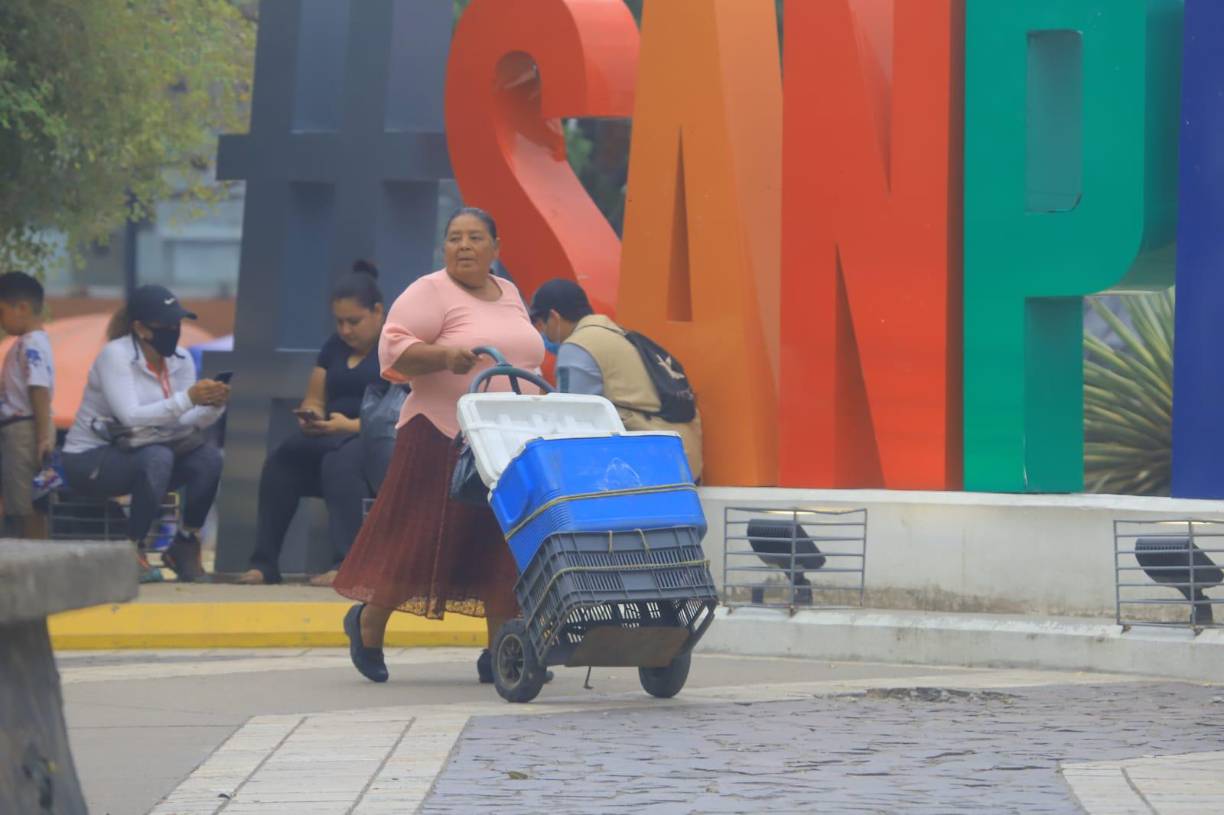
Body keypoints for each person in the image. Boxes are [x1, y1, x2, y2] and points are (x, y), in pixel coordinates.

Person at [334, 207, 544, 684]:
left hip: (507, 441)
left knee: (500, 543)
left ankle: (502, 650)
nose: (463, 246)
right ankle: (368, 623)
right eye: (454, 238)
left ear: (496, 248)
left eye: (475, 237)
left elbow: (528, 357)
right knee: (417, 538)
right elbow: (393, 352)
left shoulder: (509, 292)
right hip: (439, 435)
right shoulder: (428, 291)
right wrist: (444, 356)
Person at [61, 285, 229, 583]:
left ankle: (185, 543)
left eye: (177, 324)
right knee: (158, 457)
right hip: (91, 460)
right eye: (165, 325)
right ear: (140, 328)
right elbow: (130, 415)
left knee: (209, 459)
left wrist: (212, 405)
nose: (174, 331)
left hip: (146, 452)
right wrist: (189, 398)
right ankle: (132, 549)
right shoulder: (115, 355)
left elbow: (185, 422)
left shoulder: (181, 359)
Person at [237, 261, 386, 587]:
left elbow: (399, 414)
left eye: (354, 322)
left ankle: (346, 563)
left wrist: (350, 426)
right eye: (339, 322)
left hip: (372, 440)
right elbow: (315, 397)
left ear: (378, 312)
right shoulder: (334, 347)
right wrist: (312, 415)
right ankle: (264, 564)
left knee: (340, 461)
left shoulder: (394, 349)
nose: (345, 330)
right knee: (281, 460)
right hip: (331, 433)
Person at [530, 278, 704, 480]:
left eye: (541, 325)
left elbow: (572, 425)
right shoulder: (619, 334)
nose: (543, 334)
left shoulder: (577, 346)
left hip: (652, 466)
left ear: (554, 317)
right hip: (684, 457)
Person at [0, 272, 55, 538]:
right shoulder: (26, 343)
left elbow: (38, 388)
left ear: (22, 307)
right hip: (23, 428)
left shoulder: (32, 343)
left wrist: (43, 437)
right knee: (20, 500)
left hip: (26, 430)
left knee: (26, 504)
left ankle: (34, 555)